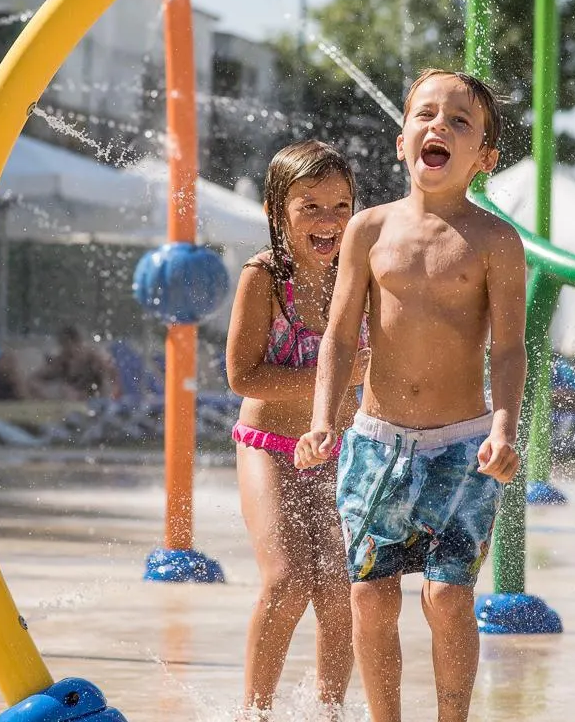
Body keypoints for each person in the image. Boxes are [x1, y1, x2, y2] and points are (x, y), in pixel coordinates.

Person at [295, 68, 527, 722]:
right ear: (401, 140)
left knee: (448, 599)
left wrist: (504, 427)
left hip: (463, 446)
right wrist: (321, 420)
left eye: (460, 121)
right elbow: (339, 337)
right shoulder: (368, 230)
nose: (439, 127)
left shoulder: (494, 240)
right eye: (426, 114)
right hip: (376, 443)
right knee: (371, 598)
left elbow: (508, 348)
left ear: (484, 158)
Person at [225, 140, 368, 717]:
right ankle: (255, 713)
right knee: (287, 582)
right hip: (270, 446)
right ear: (277, 211)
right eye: (310, 206)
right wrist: (330, 376)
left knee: (340, 591)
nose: (329, 221)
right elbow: (242, 376)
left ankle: (327, 713)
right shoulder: (264, 278)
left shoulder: (361, 277)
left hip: (337, 449)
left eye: (341, 206)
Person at [31, 325, 120, 401]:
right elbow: (35, 380)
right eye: (63, 345)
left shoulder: (93, 358)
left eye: (68, 344)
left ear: (78, 342)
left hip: (95, 400)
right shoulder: (63, 360)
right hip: (73, 402)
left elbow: (111, 380)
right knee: (64, 389)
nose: (67, 350)